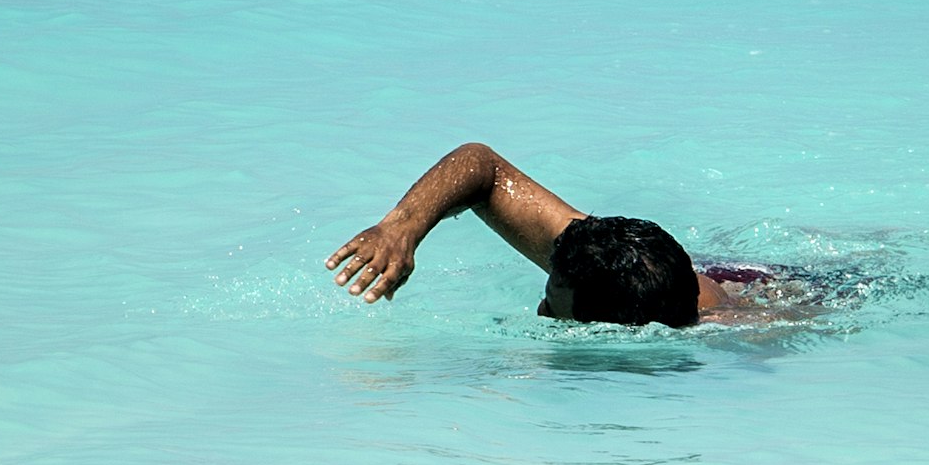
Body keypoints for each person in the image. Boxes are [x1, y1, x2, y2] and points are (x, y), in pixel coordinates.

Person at [329, 141, 794, 327]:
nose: (540, 309)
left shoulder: (736, 334)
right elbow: (481, 167)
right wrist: (401, 228)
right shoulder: (592, 256)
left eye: (553, 307)